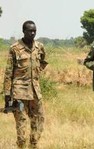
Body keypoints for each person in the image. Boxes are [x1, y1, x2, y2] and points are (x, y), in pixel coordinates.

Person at [3, 20, 47, 148]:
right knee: (21, 123)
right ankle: (21, 145)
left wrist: (37, 72)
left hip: (35, 92)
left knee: (39, 119)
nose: (32, 33)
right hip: (19, 93)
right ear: (24, 31)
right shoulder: (15, 48)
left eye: (34, 31)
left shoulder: (40, 47)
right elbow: (8, 72)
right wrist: (7, 93)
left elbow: (43, 62)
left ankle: (33, 144)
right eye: (30, 31)